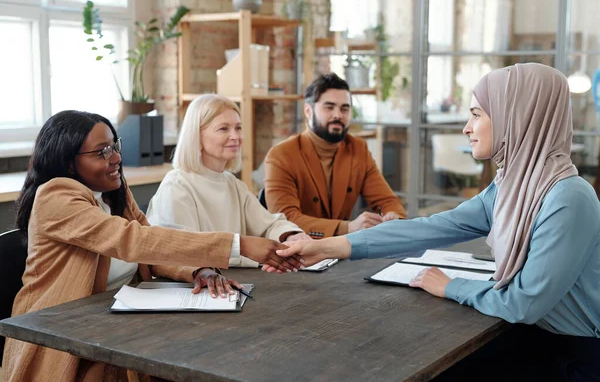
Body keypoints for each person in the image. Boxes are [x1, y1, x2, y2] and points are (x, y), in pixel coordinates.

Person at [276, 64, 600, 380]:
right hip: (535, 338)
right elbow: (430, 228)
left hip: (576, 356)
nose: (467, 127)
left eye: (477, 114)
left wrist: (450, 286)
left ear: (515, 118)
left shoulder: (568, 199)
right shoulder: (512, 187)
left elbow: (523, 303)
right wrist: (326, 247)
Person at [3, 110, 301, 382]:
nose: (116, 158)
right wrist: (238, 244)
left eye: (115, 146)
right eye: (102, 152)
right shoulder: (55, 196)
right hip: (62, 337)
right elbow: (131, 240)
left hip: (114, 326)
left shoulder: (112, 192)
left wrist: (199, 271)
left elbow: (151, 243)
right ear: (69, 161)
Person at [146, 94, 311, 268]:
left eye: (238, 128)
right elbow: (185, 252)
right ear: (197, 135)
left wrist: (290, 236)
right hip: (191, 286)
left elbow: (268, 225)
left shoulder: (233, 184)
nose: (235, 136)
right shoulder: (177, 186)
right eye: (223, 129)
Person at [264, 73, 406, 239]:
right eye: (329, 107)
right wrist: (348, 227)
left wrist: (393, 215)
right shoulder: (281, 156)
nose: (338, 115)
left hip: (343, 252)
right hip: (298, 251)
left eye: (344, 108)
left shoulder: (358, 149)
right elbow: (286, 219)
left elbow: (387, 200)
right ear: (308, 111)